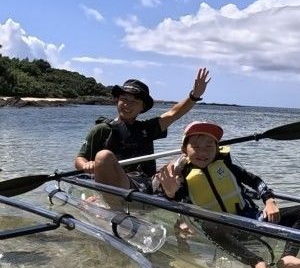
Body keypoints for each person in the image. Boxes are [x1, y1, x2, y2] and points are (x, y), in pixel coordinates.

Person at [154, 121, 300, 268]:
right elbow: (175, 198)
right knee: (208, 224)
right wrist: (170, 192)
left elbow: (255, 181)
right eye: (195, 147)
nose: (203, 152)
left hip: (251, 220)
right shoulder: (181, 176)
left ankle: (288, 257)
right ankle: (257, 263)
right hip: (220, 230)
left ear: (217, 148)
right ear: (184, 150)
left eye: (209, 146)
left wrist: (269, 201)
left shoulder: (227, 167)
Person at [74, 68, 211, 205]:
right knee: (103, 156)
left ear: (142, 107)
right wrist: (86, 164)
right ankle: (109, 203)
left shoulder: (147, 128)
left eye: (134, 101)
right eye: (124, 99)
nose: (127, 104)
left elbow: (173, 113)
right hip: (117, 184)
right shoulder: (101, 130)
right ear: (117, 101)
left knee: (181, 160)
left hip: (145, 184)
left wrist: (194, 96)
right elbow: (80, 159)